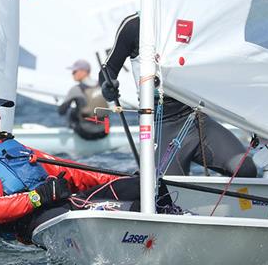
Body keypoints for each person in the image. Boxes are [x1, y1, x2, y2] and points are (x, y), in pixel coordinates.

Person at [0, 81, 178, 244]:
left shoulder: (15, 147)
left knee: (145, 185)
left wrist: (124, 179)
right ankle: (157, 243)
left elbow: (71, 171)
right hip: (37, 223)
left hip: (65, 207)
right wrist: (37, 197)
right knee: (124, 210)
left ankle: (180, 223)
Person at [99, 13, 257, 177]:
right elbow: (108, 70)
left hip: (195, 118)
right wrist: (107, 87)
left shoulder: (188, 16)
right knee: (167, 191)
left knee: (246, 168)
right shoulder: (135, 25)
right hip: (160, 124)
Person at [56, 59, 109, 140]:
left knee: (72, 111)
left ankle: (70, 138)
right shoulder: (102, 85)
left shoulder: (76, 89)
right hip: (105, 131)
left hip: (87, 133)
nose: (72, 74)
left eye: (74, 71)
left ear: (83, 72)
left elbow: (61, 111)